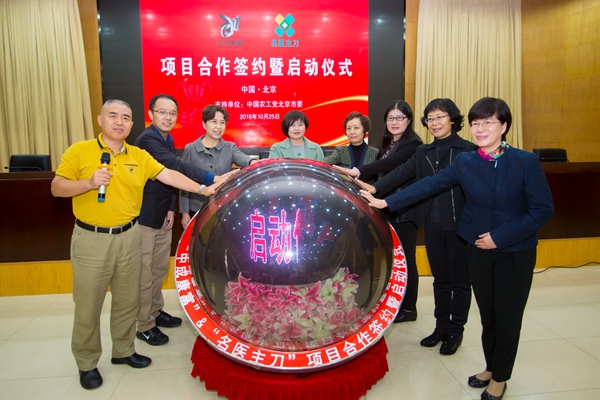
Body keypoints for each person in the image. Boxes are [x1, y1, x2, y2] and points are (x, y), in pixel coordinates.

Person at [361, 97, 553, 400]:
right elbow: (429, 185)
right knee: (488, 315)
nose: (480, 129)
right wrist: (386, 202)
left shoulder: (524, 162)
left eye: (488, 123)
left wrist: (500, 237)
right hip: (477, 249)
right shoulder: (467, 161)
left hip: (514, 252)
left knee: (507, 317)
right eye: (476, 123)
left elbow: (541, 211)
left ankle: (500, 379)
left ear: (503, 126)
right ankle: (491, 367)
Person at [51, 99, 224, 390]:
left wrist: (202, 188)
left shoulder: (138, 155)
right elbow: (57, 187)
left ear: (132, 124)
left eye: (125, 117)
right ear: (100, 120)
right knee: (88, 306)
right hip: (92, 239)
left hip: (130, 235)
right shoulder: (80, 151)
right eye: (113, 116)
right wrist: (89, 183)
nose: (119, 122)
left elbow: (168, 174)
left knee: (127, 300)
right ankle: (87, 362)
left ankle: (123, 350)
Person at [355, 98, 476, 355]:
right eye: (430, 119)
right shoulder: (424, 152)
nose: (435, 123)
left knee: (459, 282)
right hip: (432, 224)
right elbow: (401, 173)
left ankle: (456, 331)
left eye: (440, 117)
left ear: (453, 119)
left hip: (460, 225)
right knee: (440, 281)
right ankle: (440, 327)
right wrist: (374, 188)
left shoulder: (467, 151)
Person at [134, 94, 238, 346]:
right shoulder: (148, 139)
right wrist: (210, 180)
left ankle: (155, 312)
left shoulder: (167, 138)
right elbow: (173, 166)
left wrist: (171, 208)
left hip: (162, 214)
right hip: (146, 215)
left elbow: (167, 179)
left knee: (158, 270)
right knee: (145, 273)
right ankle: (144, 325)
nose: (168, 117)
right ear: (150, 114)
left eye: (172, 113)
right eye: (162, 112)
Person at [333, 100, 422, 323]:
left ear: (409, 120)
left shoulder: (412, 144)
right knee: (396, 260)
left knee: (406, 260)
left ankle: (409, 308)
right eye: (390, 118)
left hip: (405, 208)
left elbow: (391, 167)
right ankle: (398, 303)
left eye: (399, 118)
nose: (394, 122)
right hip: (389, 207)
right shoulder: (390, 142)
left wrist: (358, 172)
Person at [179, 104, 256, 228]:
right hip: (197, 209)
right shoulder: (191, 149)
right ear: (204, 124)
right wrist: (184, 213)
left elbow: (243, 158)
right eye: (214, 122)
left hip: (222, 208)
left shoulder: (230, 147)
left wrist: (252, 162)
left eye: (222, 122)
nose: (218, 127)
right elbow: (184, 182)